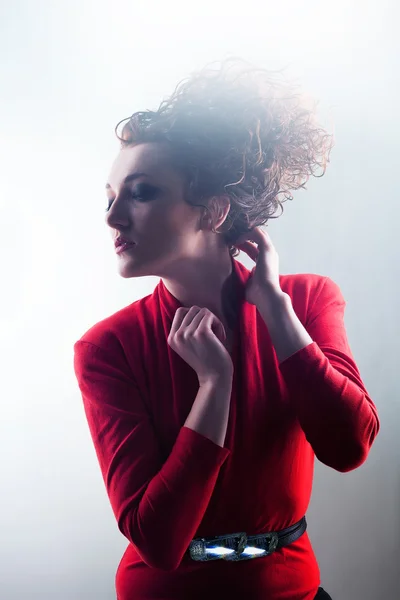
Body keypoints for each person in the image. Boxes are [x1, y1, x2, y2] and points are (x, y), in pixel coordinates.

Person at [73, 59, 380, 600]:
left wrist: (276, 311)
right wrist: (214, 388)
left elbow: (350, 446)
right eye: (110, 197)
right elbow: (158, 540)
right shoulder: (107, 349)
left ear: (214, 209)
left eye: (141, 193)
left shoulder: (308, 301)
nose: (112, 216)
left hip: (294, 590)